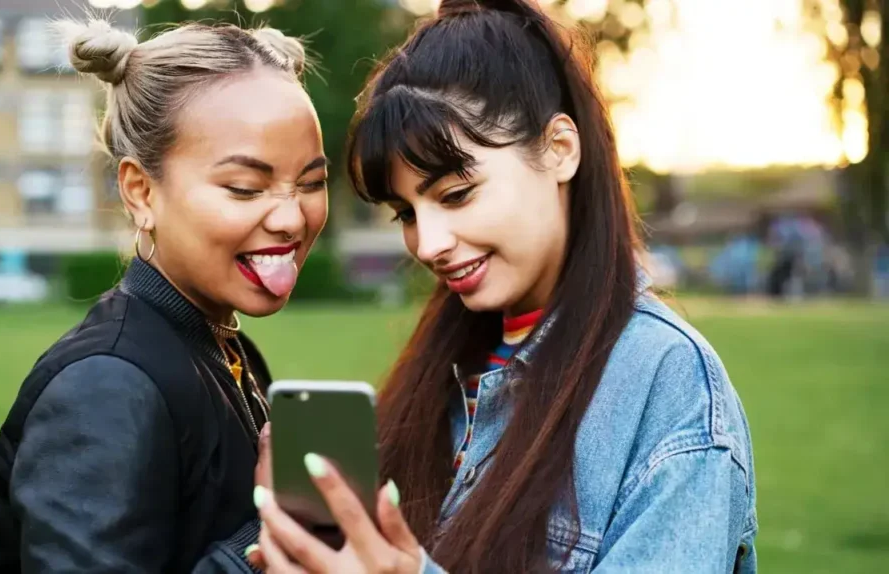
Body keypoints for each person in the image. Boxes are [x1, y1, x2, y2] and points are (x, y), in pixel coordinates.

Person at [249, 1, 757, 572]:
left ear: (559, 150)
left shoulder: (666, 381)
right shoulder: (450, 363)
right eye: (406, 213)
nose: (428, 243)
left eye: (456, 195)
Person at [0, 17, 328, 573]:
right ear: (141, 191)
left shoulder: (225, 348)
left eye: (312, 183)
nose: (293, 216)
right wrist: (270, 540)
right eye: (246, 188)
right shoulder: (105, 386)